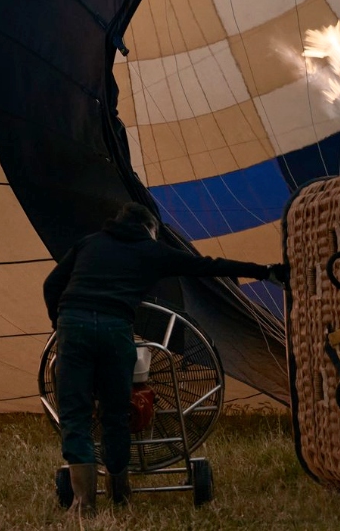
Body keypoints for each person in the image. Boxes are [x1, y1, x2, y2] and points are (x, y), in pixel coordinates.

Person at [42, 202, 286, 514]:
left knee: (75, 416)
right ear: (150, 228)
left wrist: (59, 323)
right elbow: (208, 267)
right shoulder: (151, 249)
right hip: (115, 330)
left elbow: (51, 285)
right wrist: (263, 272)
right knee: (116, 415)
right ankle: (119, 493)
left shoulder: (90, 243)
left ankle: (84, 504)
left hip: (72, 326)